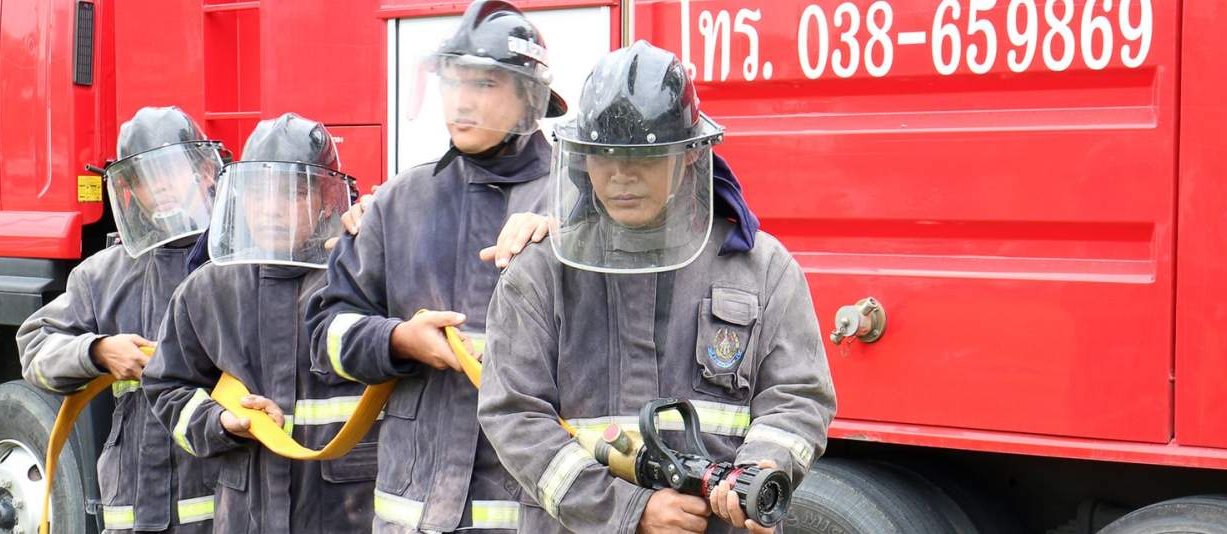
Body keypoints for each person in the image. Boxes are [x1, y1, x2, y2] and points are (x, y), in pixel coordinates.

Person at [477, 42, 837, 534]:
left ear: (690, 155)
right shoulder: (541, 271)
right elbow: (513, 415)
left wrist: (762, 468)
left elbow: (797, 396)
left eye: (643, 157)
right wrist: (627, 511)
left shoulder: (760, 267)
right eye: (603, 155)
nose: (621, 175)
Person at [304, 1, 566, 531]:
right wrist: (398, 341)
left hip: (541, 506)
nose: (462, 102)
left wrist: (571, 245)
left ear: (528, 100)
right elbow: (324, 334)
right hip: (417, 511)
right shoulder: (398, 203)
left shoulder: (580, 199)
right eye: (453, 82)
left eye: (485, 85)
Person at [142, 113, 379, 532]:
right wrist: (220, 423)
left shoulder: (361, 274)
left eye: (293, 194)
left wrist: (383, 227)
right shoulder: (207, 290)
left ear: (327, 198)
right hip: (246, 515)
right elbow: (166, 386)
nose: (271, 209)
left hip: (349, 514)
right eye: (257, 193)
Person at [17, 106, 225, 532]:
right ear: (128, 189)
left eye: (171, 168)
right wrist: (96, 351)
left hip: (220, 495)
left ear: (205, 172)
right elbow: (35, 347)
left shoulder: (234, 262)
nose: (160, 185)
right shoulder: (103, 274)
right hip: (134, 505)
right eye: (144, 177)